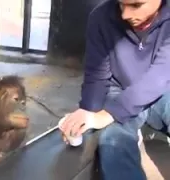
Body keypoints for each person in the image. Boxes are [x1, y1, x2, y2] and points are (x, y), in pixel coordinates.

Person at [59, 0, 170, 179]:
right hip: (120, 90)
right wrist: (87, 113)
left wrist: (110, 113)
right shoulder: (101, 17)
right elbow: (97, 75)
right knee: (112, 141)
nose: (125, 14)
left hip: (164, 89)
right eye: (120, 4)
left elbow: (160, 76)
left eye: (136, 4)